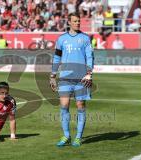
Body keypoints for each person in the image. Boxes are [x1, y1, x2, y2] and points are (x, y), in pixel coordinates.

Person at [50, 12, 94, 147]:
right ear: (69, 22)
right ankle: (67, 135)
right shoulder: (61, 39)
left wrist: (89, 73)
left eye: (78, 21)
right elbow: (57, 57)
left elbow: (90, 56)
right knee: (64, 106)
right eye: (74, 21)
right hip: (65, 78)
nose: (77, 23)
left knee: (80, 106)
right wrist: (52, 75)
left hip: (82, 78)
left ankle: (78, 137)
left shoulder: (85, 38)